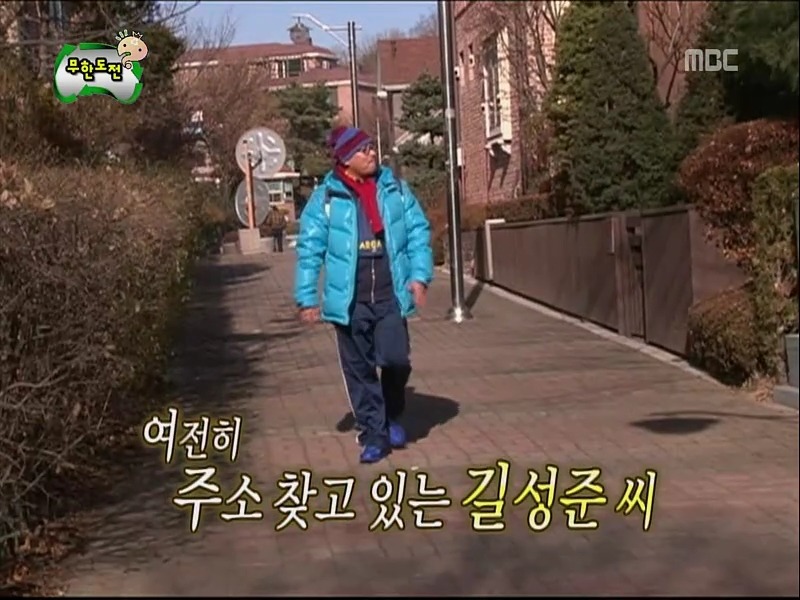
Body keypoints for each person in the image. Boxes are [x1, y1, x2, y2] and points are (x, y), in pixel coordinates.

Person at [294, 126, 433, 464]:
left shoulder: (394, 189)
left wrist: (419, 276)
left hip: (389, 296)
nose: (372, 154)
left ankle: (391, 414)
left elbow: (418, 232)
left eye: (372, 147)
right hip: (350, 302)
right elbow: (309, 250)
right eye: (364, 150)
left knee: (396, 360)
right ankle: (374, 434)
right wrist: (307, 297)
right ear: (345, 159)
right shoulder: (326, 198)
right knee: (360, 372)